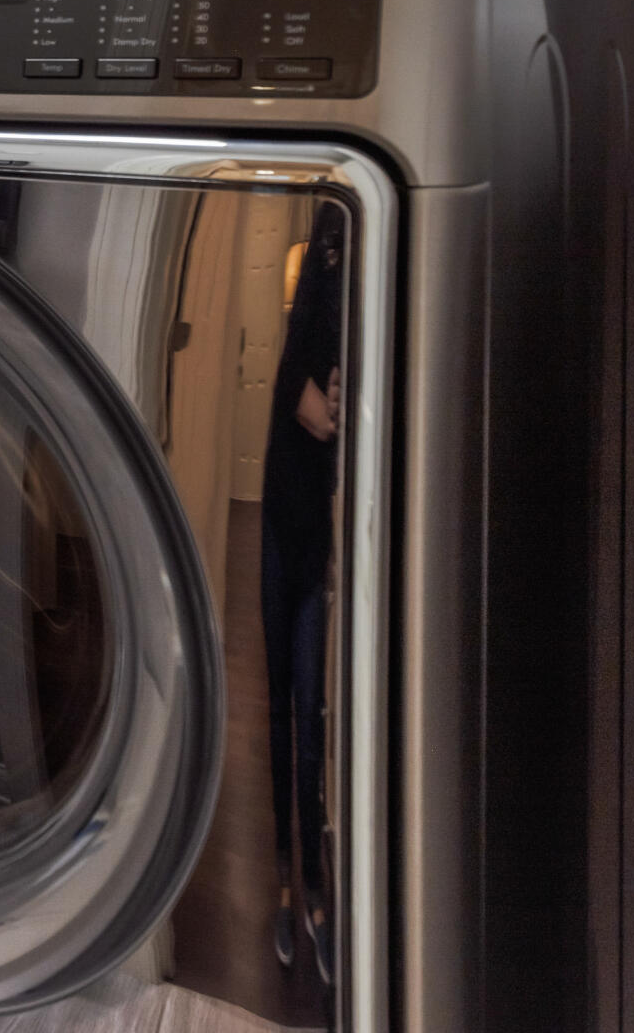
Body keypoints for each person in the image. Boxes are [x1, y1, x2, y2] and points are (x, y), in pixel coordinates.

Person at [261, 204, 346, 987]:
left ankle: (313, 895)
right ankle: (290, 889)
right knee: (286, 706)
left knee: (311, 710)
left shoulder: (348, 270)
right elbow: (303, 393)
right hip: (283, 524)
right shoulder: (325, 250)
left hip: (318, 530)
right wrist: (311, 400)